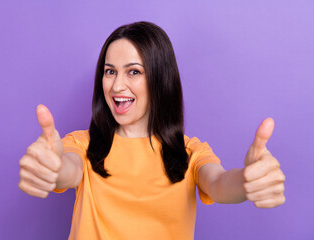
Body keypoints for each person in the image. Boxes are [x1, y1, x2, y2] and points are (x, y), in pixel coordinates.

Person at [18, 21, 285, 240]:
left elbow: (218, 184)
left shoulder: (189, 152)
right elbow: (68, 169)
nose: (117, 86)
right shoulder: (83, 144)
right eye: (110, 71)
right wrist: (50, 168)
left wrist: (248, 181)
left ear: (160, 79)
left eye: (133, 72)